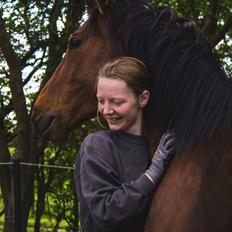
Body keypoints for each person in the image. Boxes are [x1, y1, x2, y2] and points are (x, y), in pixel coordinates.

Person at [74, 57, 175, 232]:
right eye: (101, 101)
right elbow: (107, 212)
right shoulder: (96, 146)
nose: (106, 110)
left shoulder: (158, 147)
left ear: (143, 98)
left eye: (116, 102)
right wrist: (153, 174)